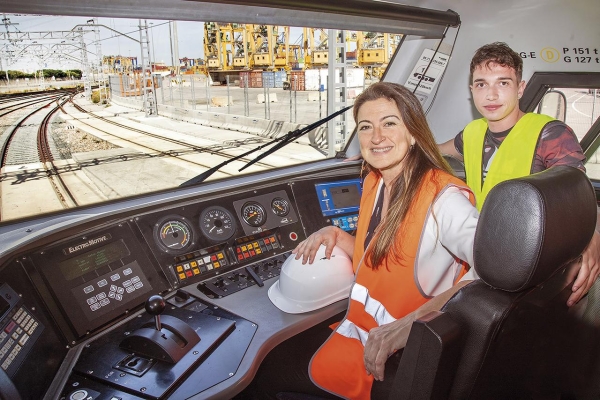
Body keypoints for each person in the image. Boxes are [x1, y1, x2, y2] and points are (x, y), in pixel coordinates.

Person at [240, 82, 479, 400]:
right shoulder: (374, 183)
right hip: (356, 334)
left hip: (391, 361)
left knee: (263, 372)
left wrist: (411, 325)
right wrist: (338, 235)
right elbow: (383, 265)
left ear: (413, 133)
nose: (376, 137)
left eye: (389, 123)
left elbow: (494, 274)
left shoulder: (444, 199)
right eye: (366, 127)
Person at [438, 41, 600, 307]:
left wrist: (592, 237)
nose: (491, 95)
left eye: (503, 83)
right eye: (481, 84)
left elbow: (578, 194)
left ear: (520, 88)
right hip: (483, 251)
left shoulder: (550, 134)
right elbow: (434, 149)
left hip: (532, 265)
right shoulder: (471, 133)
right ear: (472, 90)